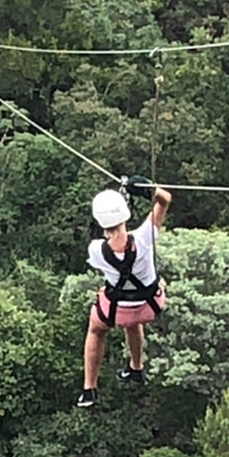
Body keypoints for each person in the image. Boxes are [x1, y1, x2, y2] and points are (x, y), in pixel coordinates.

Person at [76, 175, 172, 408]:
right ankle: (136, 367)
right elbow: (165, 200)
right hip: (150, 305)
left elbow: (112, 255)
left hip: (117, 310)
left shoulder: (96, 250)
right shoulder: (145, 237)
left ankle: (89, 389)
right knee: (133, 320)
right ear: (125, 214)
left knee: (96, 329)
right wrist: (147, 188)